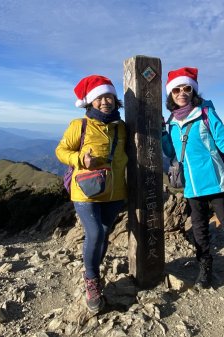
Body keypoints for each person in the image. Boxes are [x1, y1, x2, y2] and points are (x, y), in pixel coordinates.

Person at [162, 67, 224, 289]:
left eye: (186, 88)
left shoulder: (206, 113)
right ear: (170, 94)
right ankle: (204, 267)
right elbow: (171, 151)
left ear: (193, 91)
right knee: (199, 228)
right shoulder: (171, 121)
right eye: (176, 89)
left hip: (215, 179)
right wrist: (162, 133)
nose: (182, 93)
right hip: (191, 184)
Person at [55, 75, 127, 312]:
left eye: (109, 97)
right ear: (90, 102)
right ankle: (91, 279)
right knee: (95, 232)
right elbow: (61, 150)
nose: (105, 101)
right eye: (99, 98)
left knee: (104, 233)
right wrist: (79, 159)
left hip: (115, 192)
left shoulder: (122, 127)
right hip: (85, 191)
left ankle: (94, 270)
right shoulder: (80, 125)